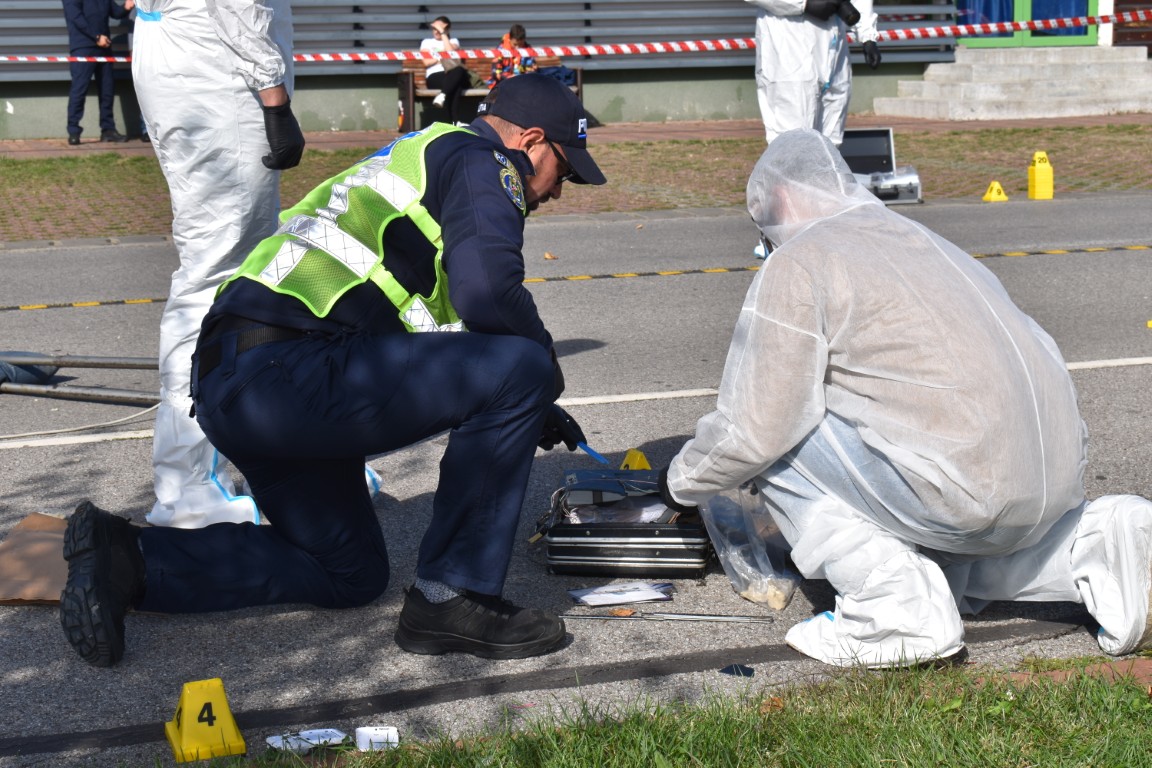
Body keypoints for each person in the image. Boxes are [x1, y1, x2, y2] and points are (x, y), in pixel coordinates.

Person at [58, 73, 608, 668]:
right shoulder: (484, 159)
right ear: (530, 141)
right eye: (563, 170)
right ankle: (453, 598)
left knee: (348, 572)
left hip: (235, 383)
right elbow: (489, 294)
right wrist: (541, 374)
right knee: (524, 365)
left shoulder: (421, 153)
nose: (558, 192)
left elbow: (446, 337)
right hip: (290, 374)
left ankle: (129, 559)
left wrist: (524, 402)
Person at [659, 128, 1152, 669]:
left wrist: (679, 484)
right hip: (1050, 490)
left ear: (780, 200)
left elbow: (753, 426)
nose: (767, 243)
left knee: (782, 433)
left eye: (763, 228)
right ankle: (1095, 542)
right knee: (961, 545)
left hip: (960, 493)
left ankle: (895, 611)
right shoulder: (928, 242)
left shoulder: (802, 259)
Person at [131, 0, 305, 528]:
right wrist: (274, 96)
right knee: (218, 273)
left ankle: (262, 460)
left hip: (185, 55)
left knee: (233, 269)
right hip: (218, 72)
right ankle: (189, 488)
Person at [745, 0, 882, 147]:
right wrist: (804, 4)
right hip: (789, 52)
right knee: (792, 142)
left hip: (835, 57)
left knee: (831, 144)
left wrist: (867, 36)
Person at [62, 0, 134, 145]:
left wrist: (126, 7)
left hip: (104, 48)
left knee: (107, 90)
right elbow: (76, 17)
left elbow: (115, 12)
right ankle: (74, 131)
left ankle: (108, 130)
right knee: (79, 89)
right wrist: (96, 36)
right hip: (83, 48)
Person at [420, 15, 473, 124]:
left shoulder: (453, 41)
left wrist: (443, 34)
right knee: (455, 83)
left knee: (458, 72)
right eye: (434, 28)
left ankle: (443, 95)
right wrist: (441, 57)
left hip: (453, 73)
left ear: (447, 29)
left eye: (439, 29)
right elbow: (426, 62)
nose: (436, 31)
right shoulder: (427, 42)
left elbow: (451, 55)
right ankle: (455, 121)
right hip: (435, 76)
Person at [487, 24, 537, 88]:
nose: (517, 47)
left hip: (522, 83)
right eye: (515, 44)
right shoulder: (501, 50)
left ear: (524, 40)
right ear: (510, 40)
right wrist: (510, 77)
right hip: (502, 84)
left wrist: (522, 76)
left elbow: (532, 69)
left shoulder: (528, 50)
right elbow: (496, 72)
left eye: (520, 44)